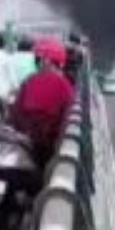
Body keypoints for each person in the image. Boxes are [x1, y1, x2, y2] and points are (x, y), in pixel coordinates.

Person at [9, 38, 75, 168]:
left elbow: (16, 112)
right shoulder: (65, 85)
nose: (37, 63)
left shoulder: (29, 81)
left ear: (45, 61)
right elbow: (69, 112)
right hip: (51, 144)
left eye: (37, 60)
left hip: (26, 142)